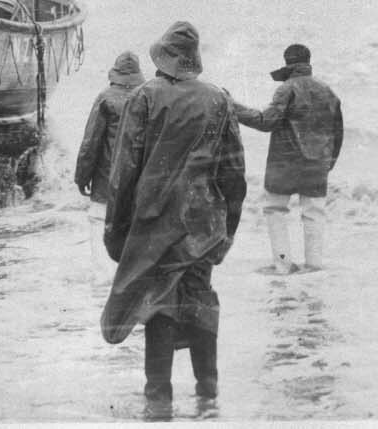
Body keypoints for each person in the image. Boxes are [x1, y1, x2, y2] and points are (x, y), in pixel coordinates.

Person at [102, 21, 247, 409]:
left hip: (155, 222)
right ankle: (208, 390)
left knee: (159, 304)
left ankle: (159, 399)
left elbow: (123, 171)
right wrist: (228, 228)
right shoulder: (218, 98)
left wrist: (115, 229)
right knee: (200, 298)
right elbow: (234, 172)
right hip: (205, 222)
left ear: (163, 59)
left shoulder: (145, 96)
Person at [232, 43, 344, 273]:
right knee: (314, 213)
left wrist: (232, 107)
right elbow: (338, 132)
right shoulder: (328, 91)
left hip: (285, 163)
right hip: (317, 165)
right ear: (308, 61)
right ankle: (314, 266)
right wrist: (327, 164)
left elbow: (266, 121)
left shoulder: (287, 88)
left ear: (287, 62)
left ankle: (283, 266)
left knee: (275, 210)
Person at [74, 51, 145, 279]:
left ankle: (102, 287)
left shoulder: (105, 97)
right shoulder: (147, 98)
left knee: (99, 228)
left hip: (106, 183)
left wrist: (82, 178)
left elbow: (90, 143)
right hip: (137, 185)